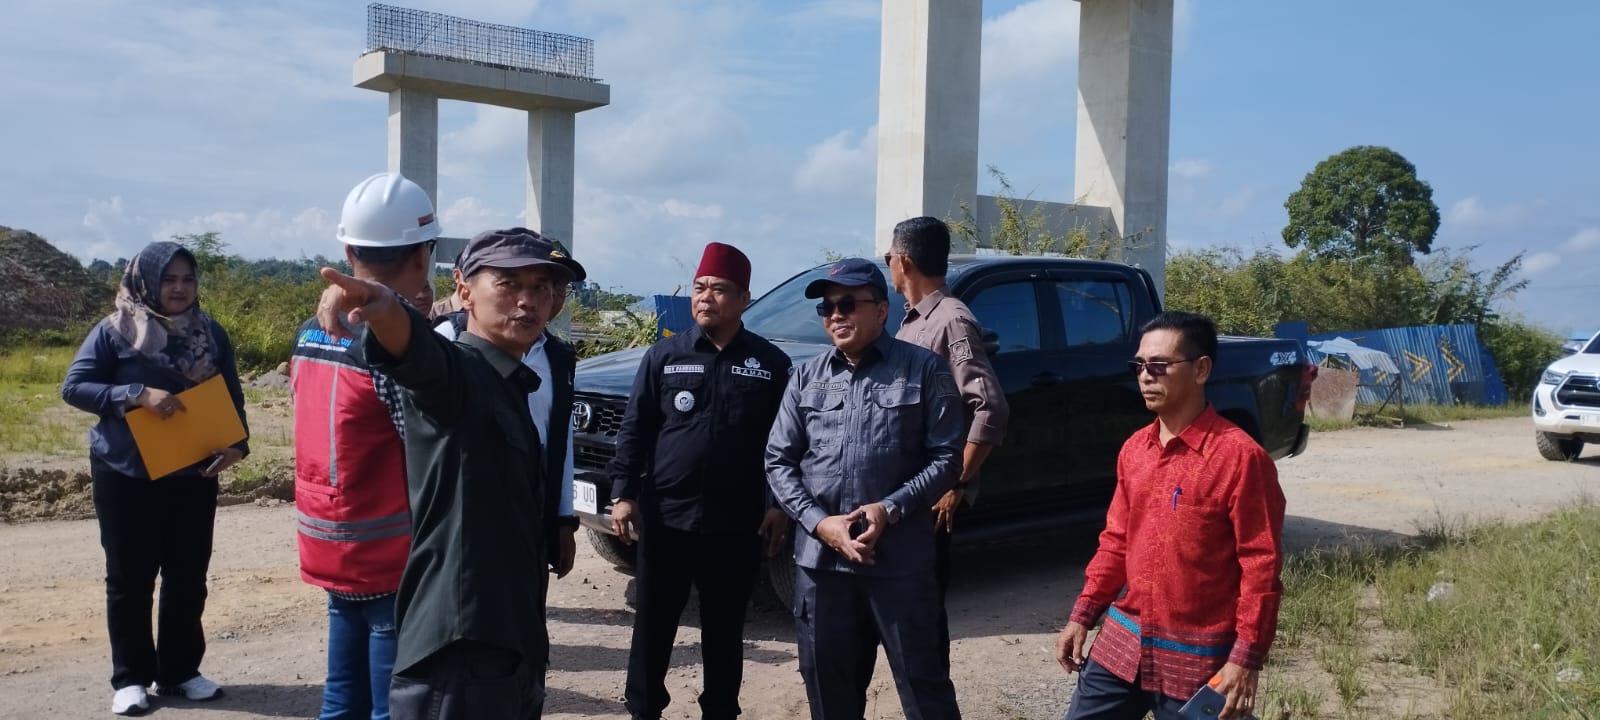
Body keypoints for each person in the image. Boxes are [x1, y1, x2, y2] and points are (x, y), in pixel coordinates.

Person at [314, 227, 575, 720]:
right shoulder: (462, 372)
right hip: (461, 652)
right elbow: (416, 353)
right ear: (463, 290)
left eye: (542, 287)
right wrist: (385, 304)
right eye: (508, 283)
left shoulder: (514, 380)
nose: (528, 301)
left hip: (508, 642)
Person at [1054, 312, 1285, 720]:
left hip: (1199, 658)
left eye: (1159, 365)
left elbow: (1260, 565)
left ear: (1201, 369)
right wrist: (1083, 614)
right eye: (1139, 365)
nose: (1145, 376)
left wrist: (1245, 658)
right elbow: (1116, 541)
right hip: (1124, 643)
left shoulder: (1240, 459)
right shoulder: (1134, 451)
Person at [766, 257, 965, 720]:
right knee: (828, 690)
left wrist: (889, 509)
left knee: (924, 687)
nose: (836, 314)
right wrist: (820, 524)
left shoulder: (924, 369)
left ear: (881, 310)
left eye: (848, 303)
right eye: (827, 307)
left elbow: (947, 457)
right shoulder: (806, 376)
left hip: (900, 564)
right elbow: (778, 459)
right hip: (822, 567)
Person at [61, 241, 249, 716]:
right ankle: (130, 678)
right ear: (146, 282)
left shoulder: (210, 333)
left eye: (188, 279)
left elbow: (231, 397)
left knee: (188, 576)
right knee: (130, 577)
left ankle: (180, 671)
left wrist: (237, 446)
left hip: (193, 472)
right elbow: (75, 386)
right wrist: (136, 393)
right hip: (125, 472)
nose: (180, 288)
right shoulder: (114, 332)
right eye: (169, 280)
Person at [607, 242, 792, 720]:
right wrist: (624, 493)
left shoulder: (770, 364)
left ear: (744, 298)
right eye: (699, 287)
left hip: (735, 523)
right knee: (653, 626)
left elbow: (784, 444)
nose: (706, 297)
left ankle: (720, 711)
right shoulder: (664, 356)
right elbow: (635, 429)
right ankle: (644, 709)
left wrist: (777, 505)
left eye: (719, 289)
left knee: (725, 628)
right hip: (667, 518)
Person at [292, 172, 439, 720]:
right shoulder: (390, 347)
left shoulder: (312, 328)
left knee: (340, 697)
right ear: (423, 258)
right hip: (385, 548)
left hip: (326, 535)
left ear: (348, 250)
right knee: (389, 706)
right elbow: (424, 443)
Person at [434, 232, 587, 601]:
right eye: (514, 284)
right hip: (465, 525)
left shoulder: (558, 357)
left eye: (550, 286)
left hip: (529, 514)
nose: (535, 298)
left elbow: (559, 439)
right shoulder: (448, 343)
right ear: (465, 290)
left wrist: (563, 519)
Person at [884, 216, 1010, 661]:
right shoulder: (914, 321)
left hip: (931, 497)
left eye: (888, 258)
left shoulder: (951, 321)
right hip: (908, 494)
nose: (888, 267)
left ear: (904, 261)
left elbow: (989, 407)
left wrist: (955, 482)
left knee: (923, 623)